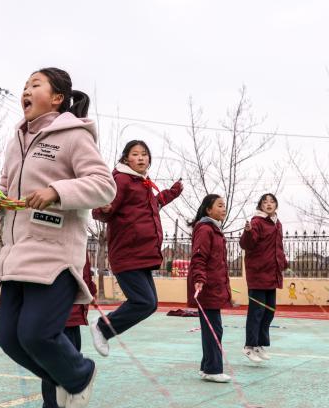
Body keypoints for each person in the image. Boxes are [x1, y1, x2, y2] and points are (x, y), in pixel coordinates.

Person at [0, 67, 115, 408]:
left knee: (36, 334)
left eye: (35, 85)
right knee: (10, 339)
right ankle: (66, 379)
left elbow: (104, 185)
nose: (26, 90)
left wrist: (56, 191)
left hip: (54, 256)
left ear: (56, 98)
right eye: (25, 86)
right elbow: (6, 184)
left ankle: (80, 373)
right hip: (14, 256)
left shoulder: (74, 136)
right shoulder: (17, 140)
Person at [90, 140, 183, 356]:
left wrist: (172, 192)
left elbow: (153, 205)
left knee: (150, 304)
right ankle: (102, 327)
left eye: (144, 154)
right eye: (135, 154)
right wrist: (104, 209)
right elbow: (102, 209)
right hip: (127, 252)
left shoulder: (142, 183)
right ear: (126, 158)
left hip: (143, 253)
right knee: (143, 302)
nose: (141, 157)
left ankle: (104, 327)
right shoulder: (122, 179)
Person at [40, 260, 96, 408]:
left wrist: (90, 291)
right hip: (62, 313)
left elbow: (83, 274)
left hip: (74, 315)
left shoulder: (78, 244)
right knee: (57, 362)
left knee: (70, 361)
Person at [187, 194, 232, 382]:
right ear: (208, 209)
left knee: (211, 328)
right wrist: (199, 278)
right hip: (207, 286)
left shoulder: (214, 230)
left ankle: (206, 367)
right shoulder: (205, 229)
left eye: (224, 206)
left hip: (214, 286)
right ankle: (213, 370)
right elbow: (199, 256)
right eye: (219, 205)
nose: (223, 209)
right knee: (214, 329)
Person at [239, 192, 288, 364]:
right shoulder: (256, 222)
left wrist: (283, 262)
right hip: (258, 274)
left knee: (269, 311)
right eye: (265, 202)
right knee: (256, 312)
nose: (269, 204)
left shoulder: (277, 223)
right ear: (260, 205)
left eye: (272, 201)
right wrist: (247, 232)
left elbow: (278, 246)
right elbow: (246, 244)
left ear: (276, 205)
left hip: (272, 275)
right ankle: (249, 346)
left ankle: (259, 344)